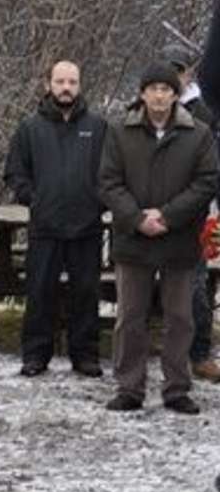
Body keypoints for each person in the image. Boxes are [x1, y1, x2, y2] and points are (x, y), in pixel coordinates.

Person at [98, 61, 218, 414]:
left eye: (166, 89)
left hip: (179, 239)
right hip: (133, 238)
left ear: (175, 95)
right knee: (131, 316)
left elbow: (206, 181)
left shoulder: (198, 133)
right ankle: (129, 387)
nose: (159, 96)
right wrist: (137, 218)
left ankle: (177, 387)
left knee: (179, 317)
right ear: (142, 93)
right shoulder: (120, 131)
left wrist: (168, 215)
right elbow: (108, 182)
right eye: (153, 89)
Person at [5, 61, 107, 378]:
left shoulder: (99, 127)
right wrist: (33, 199)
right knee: (39, 292)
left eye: (72, 82)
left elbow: (111, 172)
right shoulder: (30, 128)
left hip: (86, 226)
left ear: (80, 85)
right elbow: (15, 172)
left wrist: (97, 202)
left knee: (87, 293)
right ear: (48, 84)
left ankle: (85, 355)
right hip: (44, 226)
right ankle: (36, 354)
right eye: (60, 81)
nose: (66, 87)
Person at [164, 44, 220, 384]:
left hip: (195, 212)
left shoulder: (206, 112)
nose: (174, 76)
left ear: (189, 72)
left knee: (196, 288)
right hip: (155, 212)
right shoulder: (148, 106)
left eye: (179, 69)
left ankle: (200, 353)